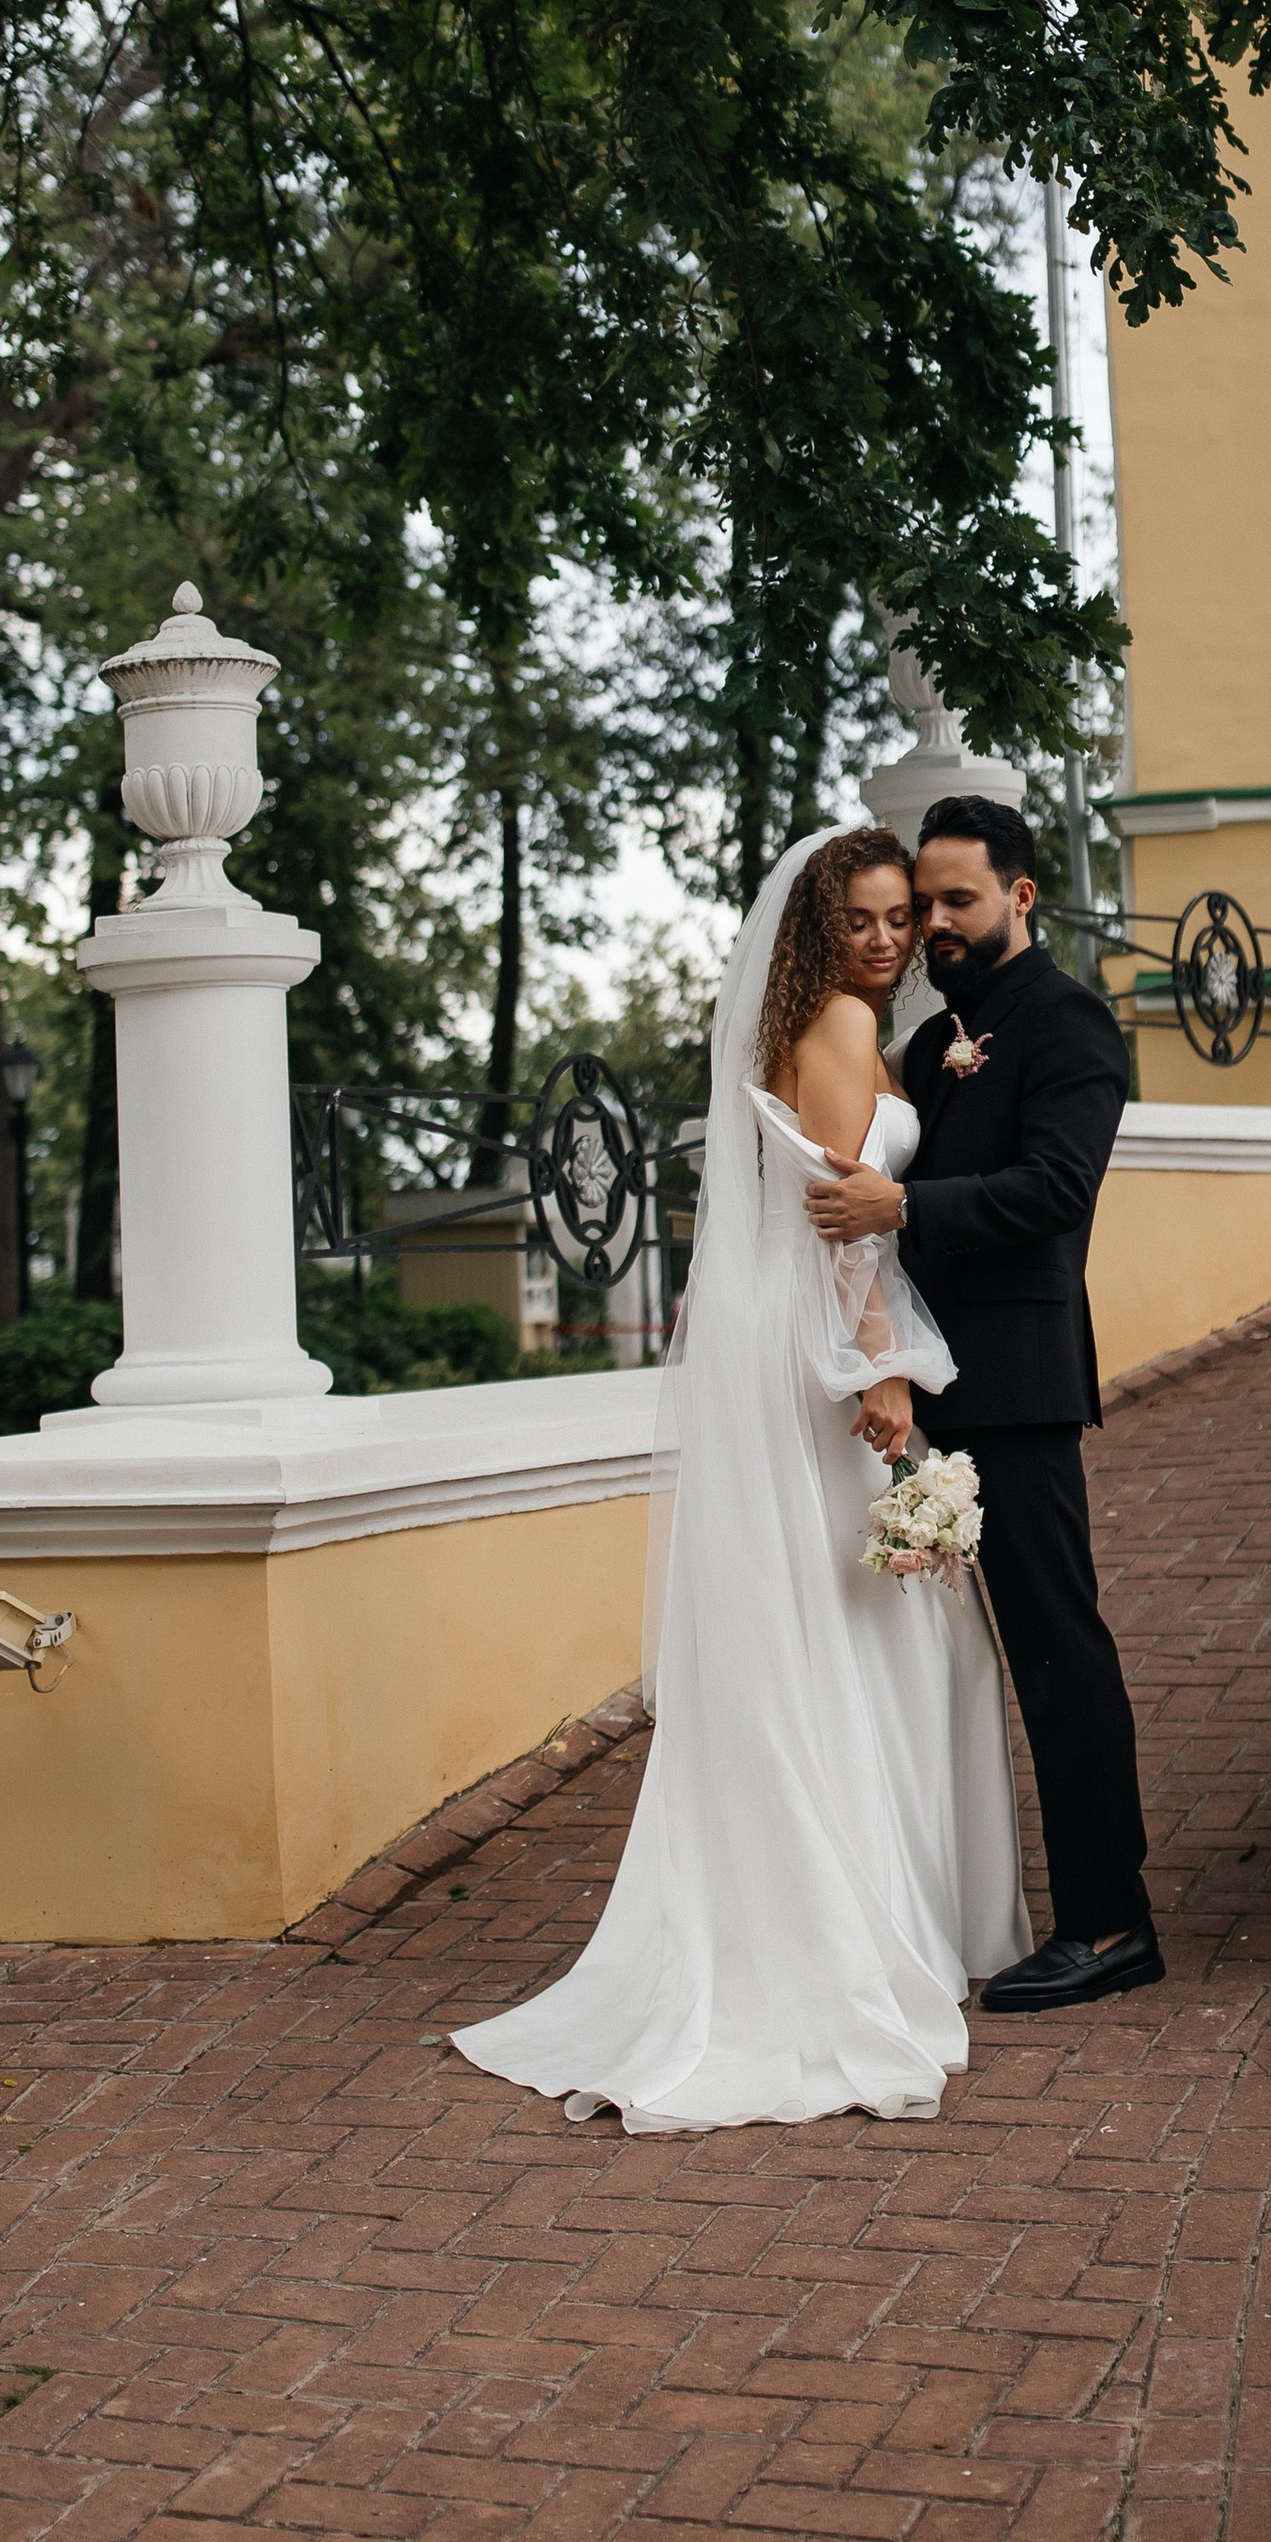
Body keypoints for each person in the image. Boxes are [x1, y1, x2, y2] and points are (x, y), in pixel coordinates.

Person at [452, 824, 1029, 2132]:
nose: (884, 939)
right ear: (819, 926)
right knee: (852, 1619)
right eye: (860, 919)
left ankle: (832, 1904)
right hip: (815, 1341)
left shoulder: (811, 1022)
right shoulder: (840, 1023)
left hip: (770, 1330)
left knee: (813, 1614)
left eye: (899, 919)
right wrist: (878, 1373)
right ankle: (842, 1932)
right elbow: (841, 1220)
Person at [804, 792, 1158, 2009]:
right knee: (937, 1662)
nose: (934, 923)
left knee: (1057, 1649)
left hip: (1015, 1384)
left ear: (1020, 894)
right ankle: (937, 1906)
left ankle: (1110, 1924)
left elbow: (1057, 1189)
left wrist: (905, 1205)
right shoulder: (929, 1041)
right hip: (928, 1385)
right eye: (924, 904)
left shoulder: (1065, 1020)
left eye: (957, 899)